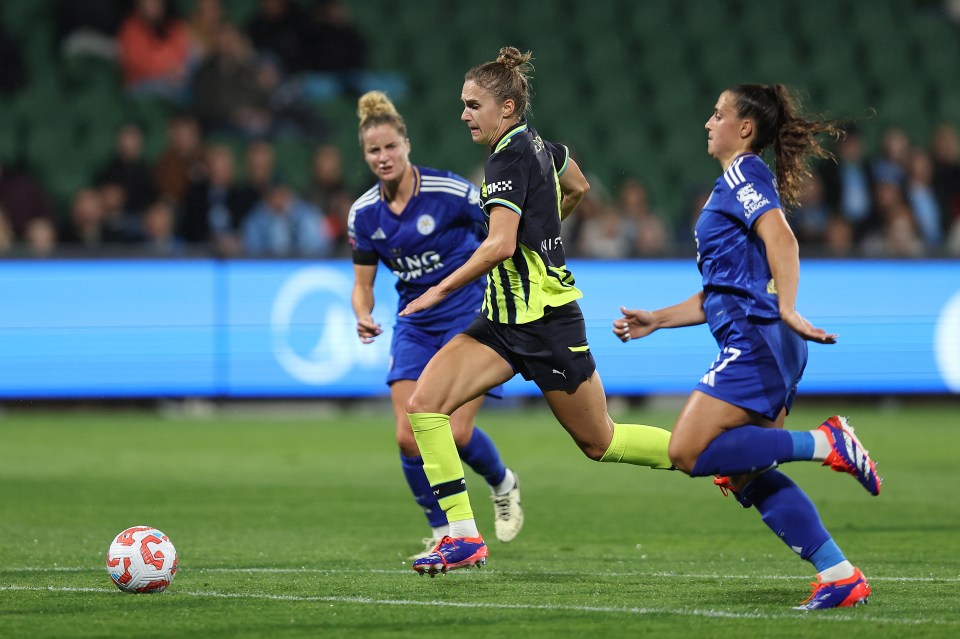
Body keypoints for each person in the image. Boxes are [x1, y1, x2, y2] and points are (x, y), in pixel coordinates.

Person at [398, 47, 674, 576]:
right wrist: (546, 227)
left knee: (602, 442)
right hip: (501, 322)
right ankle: (461, 537)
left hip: (546, 322)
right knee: (426, 403)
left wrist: (437, 290)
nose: (463, 114)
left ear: (506, 108)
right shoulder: (543, 147)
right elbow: (579, 186)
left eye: (473, 104)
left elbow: (499, 245)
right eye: (463, 104)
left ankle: (710, 455)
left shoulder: (507, 155)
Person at [614, 84, 881, 610]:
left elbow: (783, 238)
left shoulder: (743, 171)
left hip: (757, 339)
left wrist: (786, 306)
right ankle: (839, 574)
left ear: (745, 129)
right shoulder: (730, 186)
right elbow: (723, 289)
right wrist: (659, 319)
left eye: (718, 114)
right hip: (763, 338)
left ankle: (827, 443)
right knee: (745, 473)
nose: (708, 123)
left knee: (686, 450)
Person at [348, 91, 524, 559]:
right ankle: (444, 529)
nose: (383, 157)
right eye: (373, 151)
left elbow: (500, 233)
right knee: (408, 435)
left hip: (468, 316)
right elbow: (362, 284)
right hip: (415, 322)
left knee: (456, 432)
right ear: (365, 156)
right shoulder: (364, 215)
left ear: (407, 145)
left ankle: (503, 482)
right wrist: (362, 313)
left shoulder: (449, 193)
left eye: (390, 147)